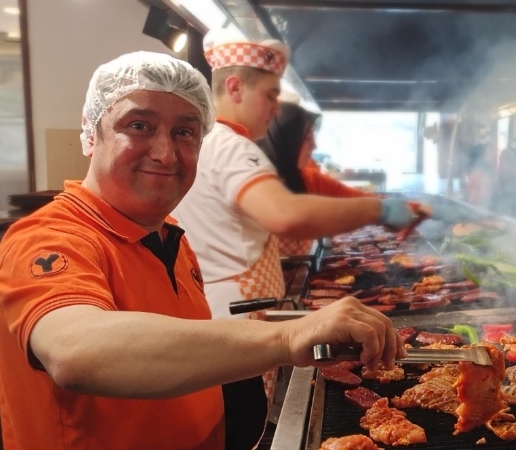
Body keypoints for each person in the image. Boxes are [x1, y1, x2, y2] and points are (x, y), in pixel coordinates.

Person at [0, 51, 405, 450]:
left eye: (184, 132)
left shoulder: (170, 235)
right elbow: (76, 352)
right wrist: (288, 335)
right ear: (91, 134)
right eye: (139, 125)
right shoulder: (48, 237)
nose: (165, 152)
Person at [170, 30, 422, 449]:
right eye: (269, 95)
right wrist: (380, 211)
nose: (274, 108)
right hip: (234, 324)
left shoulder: (206, 141)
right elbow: (285, 215)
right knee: (239, 430)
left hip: (218, 316)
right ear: (234, 87)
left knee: (226, 428)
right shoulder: (231, 146)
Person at [256, 97, 374, 256]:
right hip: (262, 278)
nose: (315, 146)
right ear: (287, 141)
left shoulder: (308, 179)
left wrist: (406, 208)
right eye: (307, 138)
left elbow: (356, 198)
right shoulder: (254, 184)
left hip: (298, 274)